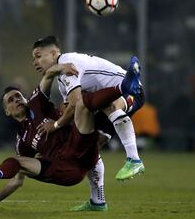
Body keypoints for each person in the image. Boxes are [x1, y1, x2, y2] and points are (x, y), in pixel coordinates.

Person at [0, 62, 141, 209]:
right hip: (62, 170)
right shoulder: (22, 139)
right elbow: (18, 181)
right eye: (11, 100)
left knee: (82, 104)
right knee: (18, 163)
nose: (16, 100)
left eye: (18, 96)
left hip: (79, 148)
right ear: (7, 112)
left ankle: (123, 89)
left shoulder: (37, 103)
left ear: (25, 98)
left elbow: (47, 76)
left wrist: (60, 67)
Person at [31, 36, 145, 182]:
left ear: (54, 53)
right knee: (90, 146)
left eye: (38, 56)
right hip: (105, 103)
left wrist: (55, 125)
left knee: (111, 105)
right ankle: (97, 201)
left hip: (130, 91)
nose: (35, 62)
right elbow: (69, 108)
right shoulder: (61, 78)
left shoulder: (67, 64)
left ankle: (134, 160)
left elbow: (74, 104)